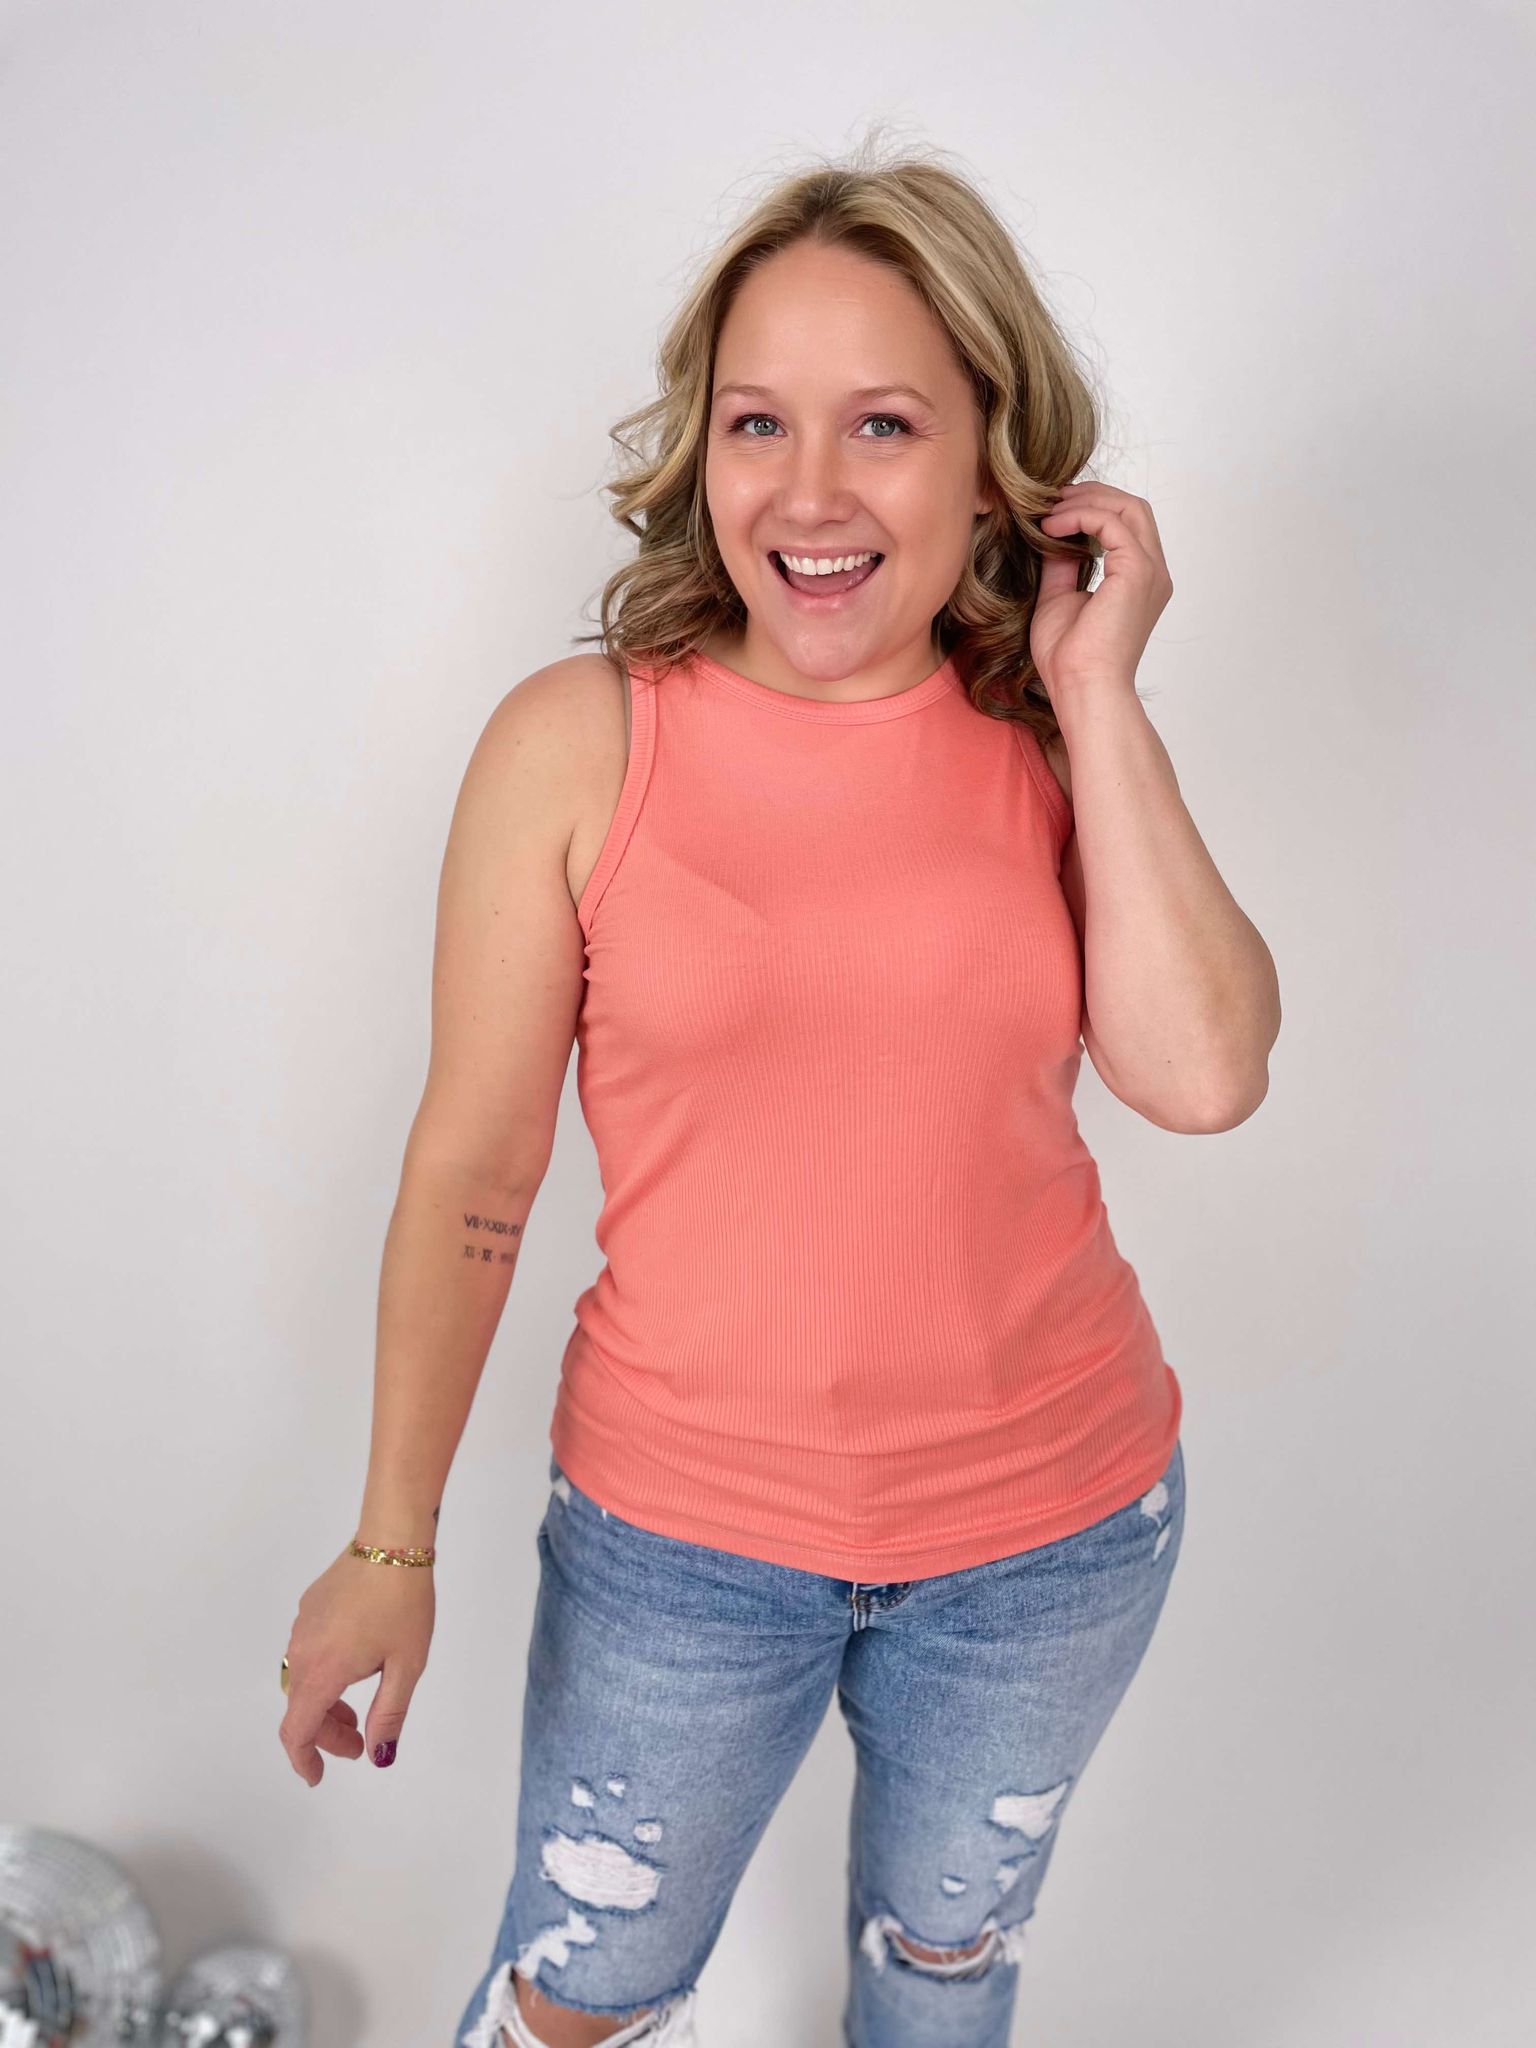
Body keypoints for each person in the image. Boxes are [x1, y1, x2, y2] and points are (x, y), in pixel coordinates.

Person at [278, 139, 1280, 2048]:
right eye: (759, 423)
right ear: (704, 448)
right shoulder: (583, 740)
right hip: (680, 1551)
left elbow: (1207, 1074)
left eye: (884, 423)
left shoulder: (1050, 737)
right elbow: (478, 1167)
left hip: (1055, 1534)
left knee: (942, 1965)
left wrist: (1101, 692)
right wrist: (391, 1541)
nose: (809, 493)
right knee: (578, 1996)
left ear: (992, 460)